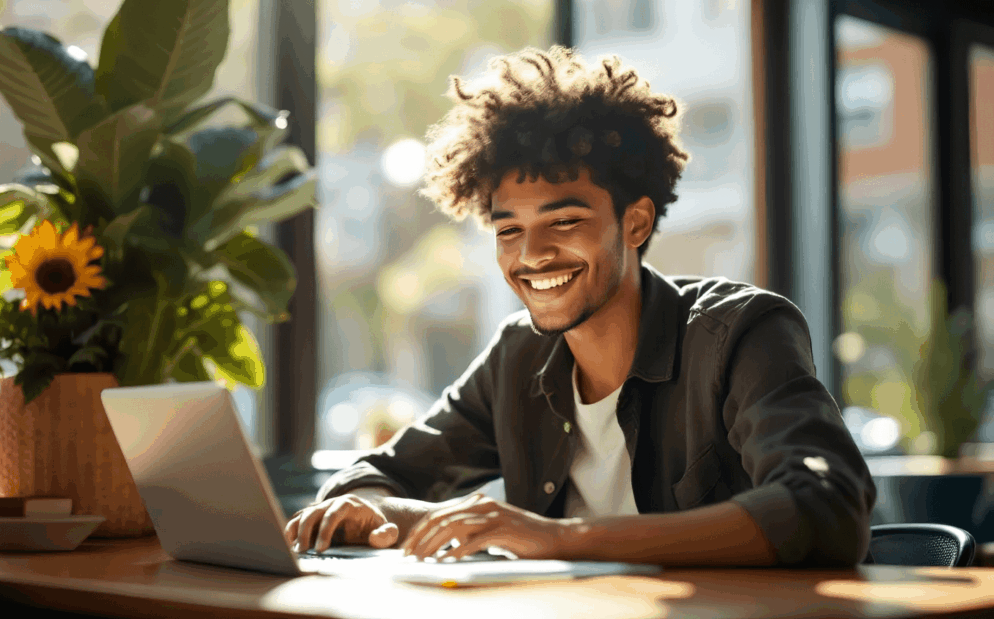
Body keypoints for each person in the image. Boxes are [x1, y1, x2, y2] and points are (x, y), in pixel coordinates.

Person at [285, 45, 876, 567]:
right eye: (508, 229)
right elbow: (376, 479)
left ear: (636, 221)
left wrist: (561, 539)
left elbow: (822, 506)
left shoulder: (739, 333)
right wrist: (391, 516)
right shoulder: (519, 356)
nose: (532, 255)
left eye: (564, 221)